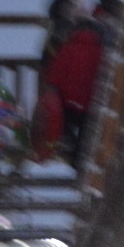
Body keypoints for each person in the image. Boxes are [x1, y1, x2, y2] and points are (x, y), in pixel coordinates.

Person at [45, 13, 105, 164]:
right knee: (87, 133)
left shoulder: (68, 48)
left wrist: (53, 88)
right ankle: (80, 161)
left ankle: (67, 149)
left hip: (68, 101)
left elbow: (56, 74)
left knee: (64, 126)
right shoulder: (100, 51)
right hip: (90, 103)